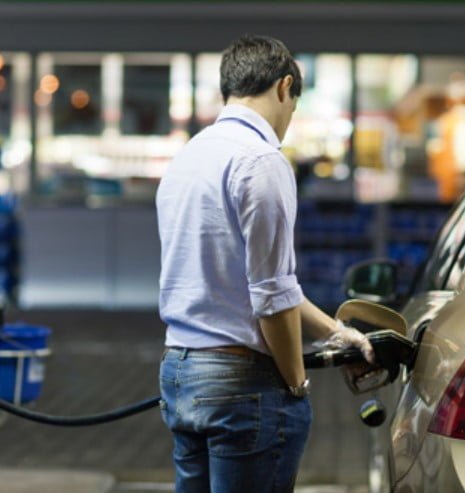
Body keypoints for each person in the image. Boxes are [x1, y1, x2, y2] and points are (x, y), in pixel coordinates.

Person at [156, 34, 374, 493]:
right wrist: (295, 383)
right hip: (243, 386)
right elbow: (271, 296)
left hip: (181, 372)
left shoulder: (188, 157)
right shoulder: (261, 160)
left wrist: (335, 332)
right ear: (284, 87)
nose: (289, 119)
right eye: (294, 106)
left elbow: (259, 285)